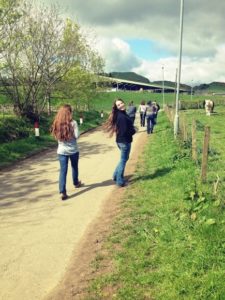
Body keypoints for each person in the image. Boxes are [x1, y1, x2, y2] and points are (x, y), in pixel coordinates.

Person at [51, 104, 82, 200]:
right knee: (74, 167)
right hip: (73, 150)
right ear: (69, 113)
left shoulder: (56, 123)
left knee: (63, 171)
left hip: (61, 151)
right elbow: (77, 136)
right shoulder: (73, 123)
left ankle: (62, 192)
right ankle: (76, 183)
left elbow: (56, 137)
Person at [103, 98, 136, 187]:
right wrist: (133, 131)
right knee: (123, 160)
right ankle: (120, 181)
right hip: (124, 141)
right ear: (116, 107)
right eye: (118, 105)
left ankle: (115, 175)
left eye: (121, 103)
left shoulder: (120, 114)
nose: (121, 105)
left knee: (123, 159)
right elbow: (124, 131)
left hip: (121, 141)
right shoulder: (121, 117)